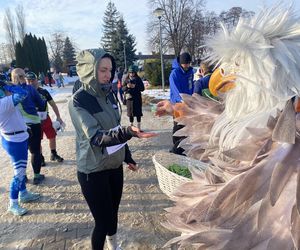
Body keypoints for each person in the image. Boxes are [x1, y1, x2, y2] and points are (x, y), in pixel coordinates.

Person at [69, 48, 156, 250]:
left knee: (113, 215)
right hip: (93, 170)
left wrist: (127, 157)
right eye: (102, 70)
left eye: (110, 70)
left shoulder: (109, 95)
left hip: (114, 166)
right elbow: (97, 137)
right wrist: (129, 131)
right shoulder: (78, 101)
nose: (108, 74)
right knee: (102, 222)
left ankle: (114, 247)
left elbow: (114, 129)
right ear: (90, 71)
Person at [0, 81, 40, 216]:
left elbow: (15, 117)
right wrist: (6, 84)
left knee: (21, 171)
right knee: (18, 173)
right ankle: (13, 203)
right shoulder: (4, 102)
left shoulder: (5, 102)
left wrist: (25, 128)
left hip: (14, 138)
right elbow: (23, 93)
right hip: (15, 141)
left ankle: (23, 193)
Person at [11, 68, 46, 185]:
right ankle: (36, 176)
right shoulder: (30, 89)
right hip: (34, 123)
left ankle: (23, 176)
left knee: (21, 152)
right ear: (24, 76)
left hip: (17, 126)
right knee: (35, 151)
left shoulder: (9, 91)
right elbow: (41, 103)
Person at [25, 72, 64, 166]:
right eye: (29, 81)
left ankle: (53, 153)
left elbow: (53, 104)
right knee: (37, 140)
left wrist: (58, 116)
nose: (31, 83)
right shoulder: (24, 93)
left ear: (36, 80)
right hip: (33, 120)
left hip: (45, 118)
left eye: (33, 80)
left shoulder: (44, 92)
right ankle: (40, 157)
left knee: (52, 136)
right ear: (26, 81)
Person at [169, 52, 194, 155]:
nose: (187, 65)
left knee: (186, 126)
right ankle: (176, 148)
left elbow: (191, 86)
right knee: (178, 125)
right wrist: (182, 99)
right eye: (185, 64)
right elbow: (175, 90)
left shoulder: (190, 72)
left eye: (188, 63)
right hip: (178, 104)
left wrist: (192, 98)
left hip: (188, 103)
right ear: (181, 63)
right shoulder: (175, 74)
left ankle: (182, 147)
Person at [122, 65, 145, 131]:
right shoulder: (126, 80)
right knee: (130, 113)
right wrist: (127, 87)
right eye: (130, 72)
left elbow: (142, 88)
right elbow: (122, 89)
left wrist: (135, 86)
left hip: (137, 98)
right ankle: (131, 127)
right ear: (128, 73)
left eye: (133, 73)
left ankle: (139, 128)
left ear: (135, 73)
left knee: (138, 113)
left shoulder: (138, 79)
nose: (131, 74)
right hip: (129, 99)